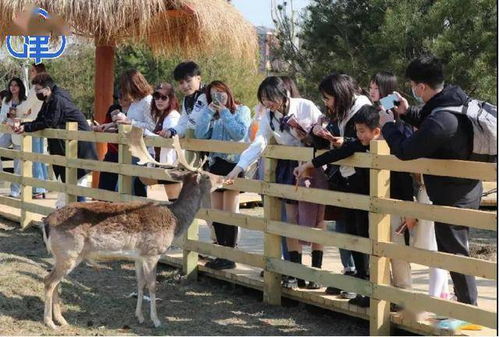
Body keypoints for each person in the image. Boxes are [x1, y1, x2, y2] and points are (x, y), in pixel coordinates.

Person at [381, 55, 481, 305]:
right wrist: (406, 112)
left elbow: (405, 150)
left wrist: (387, 126)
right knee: (451, 252)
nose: (413, 90)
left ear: (421, 87)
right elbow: (430, 127)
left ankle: (469, 311)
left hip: (454, 195)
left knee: (456, 255)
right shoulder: (453, 101)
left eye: (413, 85)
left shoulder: (442, 119)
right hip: (464, 189)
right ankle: (464, 308)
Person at [226, 76, 323, 288]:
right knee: (290, 218)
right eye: (263, 99)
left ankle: (316, 273)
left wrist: (307, 135)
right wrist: (238, 168)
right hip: (287, 168)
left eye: (270, 98)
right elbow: (259, 142)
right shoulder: (269, 117)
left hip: (311, 164)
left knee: (315, 219)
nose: (267, 103)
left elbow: (324, 132)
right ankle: (296, 272)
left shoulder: (305, 106)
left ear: (282, 94)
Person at [294, 105, 381, 307]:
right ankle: (361, 286)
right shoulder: (357, 144)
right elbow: (333, 155)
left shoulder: (385, 145)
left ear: (376, 131)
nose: (358, 135)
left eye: (362, 131)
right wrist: (308, 165)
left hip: (372, 202)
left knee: (369, 240)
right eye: (356, 131)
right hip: (354, 197)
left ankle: (373, 290)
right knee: (354, 236)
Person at [310, 73, 371, 296]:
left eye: (328, 98)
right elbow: (336, 140)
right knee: (352, 228)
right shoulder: (343, 112)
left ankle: (366, 287)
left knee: (362, 230)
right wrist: (316, 133)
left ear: (339, 94)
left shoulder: (363, 109)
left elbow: (358, 145)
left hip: (363, 178)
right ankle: (359, 282)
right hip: (347, 176)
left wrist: (315, 162)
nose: (326, 103)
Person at [14, 73, 97, 202]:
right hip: (67, 148)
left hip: (80, 149)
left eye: (38, 89)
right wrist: (24, 125)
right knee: (69, 188)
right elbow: (40, 119)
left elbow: (50, 121)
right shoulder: (49, 100)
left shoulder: (57, 100)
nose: (36, 93)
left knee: (76, 187)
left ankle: (80, 218)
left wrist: (26, 127)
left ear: (47, 89)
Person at [195, 80, 251, 270]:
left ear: (228, 91)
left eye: (221, 93)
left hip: (234, 165)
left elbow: (239, 133)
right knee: (217, 211)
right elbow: (200, 134)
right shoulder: (211, 113)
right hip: (215, 164)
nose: (218, 97)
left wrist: (224, 112)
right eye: (214, 94)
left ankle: (230, 254)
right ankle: (221, 253)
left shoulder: (242, 110)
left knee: (230, 211)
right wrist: (209, 111)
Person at [369, 71, 414, 297]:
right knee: (377, 243)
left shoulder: (401, 123)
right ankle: (382, 292)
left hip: (397, 191)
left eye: (375, 88)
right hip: (376, 191)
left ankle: (404, 294)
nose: (371, 92)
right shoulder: (371, 114)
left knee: (397, 245)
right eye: (370, 88)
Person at [113, 69, 155, 197]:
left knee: (134, 188)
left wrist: (129, 121)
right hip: (131, 149)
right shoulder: (135, 102)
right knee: (124, 188)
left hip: (142, 150)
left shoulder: (148, 101)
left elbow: (152, 126)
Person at [139, 83, 182, 201]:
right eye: (156, 96)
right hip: (162, 165)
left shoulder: (172, 116)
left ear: (171, 99)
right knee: (138, 179)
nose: (159, 100)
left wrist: (145, 133)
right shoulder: (161, 116)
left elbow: (168, 140)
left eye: (164, 97)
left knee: (175, 204)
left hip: (170, 165)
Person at [18, 63, 49, 199]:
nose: (30, 73)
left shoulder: (34, 90)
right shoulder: (47, 89)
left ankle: (38, 188)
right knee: (40, 156)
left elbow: (25, 107)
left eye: (32, 70)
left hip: (33, 124)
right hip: (42, 124)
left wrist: (14, 112)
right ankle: (42, 186)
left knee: (35, 157)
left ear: (37, 72)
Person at [94, 94, 131, 192]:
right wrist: (101, 128)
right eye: (118, 98)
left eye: (124, 98)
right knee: (105, 184)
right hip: (113, 151)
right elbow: (107, 126)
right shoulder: (113, 109)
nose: (121, 100)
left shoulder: (136, 109)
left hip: (130, 152)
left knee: (128, 186)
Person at [0, 77, 27, 198]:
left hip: (19, 132)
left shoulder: (25, 101)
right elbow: (2, 117)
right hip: (7, 131)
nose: (13, 87)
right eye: (11, 85)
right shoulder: (6, 100)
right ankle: (2, 177)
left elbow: (28, 116)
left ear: (20, 87)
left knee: (18, 163)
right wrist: (6, 119)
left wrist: (19, 120)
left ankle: (15, 190)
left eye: (16, 85)